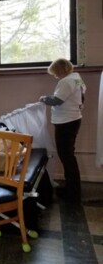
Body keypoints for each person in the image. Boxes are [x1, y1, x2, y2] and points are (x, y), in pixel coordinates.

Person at [39, 58, 85, 202]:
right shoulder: (77, 78)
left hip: (66, 122)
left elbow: (57, 100)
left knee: (66, 156)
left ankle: (72, 191)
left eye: (56, 73)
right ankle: (72, 188)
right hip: (74, 118)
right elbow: (81, 97)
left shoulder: (65, 82)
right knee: (68, 155)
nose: (55, 76)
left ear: (60, 70)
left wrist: (44, 99)